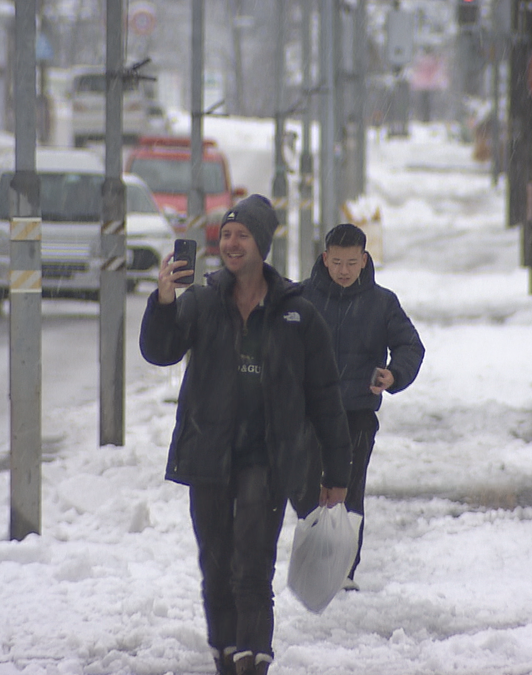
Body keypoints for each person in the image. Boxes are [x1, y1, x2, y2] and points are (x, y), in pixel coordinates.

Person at [139, 194, 353, 675]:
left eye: (243, 235)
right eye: (227, 234)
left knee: (252, 563)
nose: (231, 243)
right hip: (208, 452)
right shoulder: (202, 301)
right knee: (215, 564)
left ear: (263, 244)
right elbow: (160, 351)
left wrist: (336, 473)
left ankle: (254, 654)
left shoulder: (298, 313)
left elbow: (325, 397)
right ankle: (225, 648)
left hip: (268, 457)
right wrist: (164, 301)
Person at [301, 222, 425, 590]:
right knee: (308, 490)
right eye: (336, 262)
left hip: (356, 414)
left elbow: (410, 346)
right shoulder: (302, 299)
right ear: (325, 259)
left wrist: (394, 374)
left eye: (351, 263)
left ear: (364, 260)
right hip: (307, 414)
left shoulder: (381, 303)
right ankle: (311, 561)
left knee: (349, 490)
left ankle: (343, 570)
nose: (343, 270)